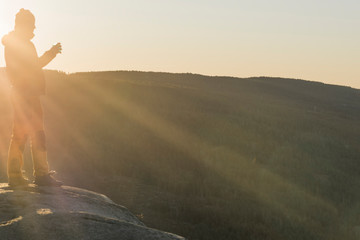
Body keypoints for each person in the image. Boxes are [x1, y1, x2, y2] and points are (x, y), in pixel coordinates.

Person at [1, 8, 63, 187]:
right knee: (35, 133)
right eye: (31, 27)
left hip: (22, 93)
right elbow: (34, 66)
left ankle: (16, 175)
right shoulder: (20, 44)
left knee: (21, 134)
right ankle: (40, 175)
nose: (34, 31)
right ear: (23, 26)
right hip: (26, 93)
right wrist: (51, 53)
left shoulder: (15, 43)